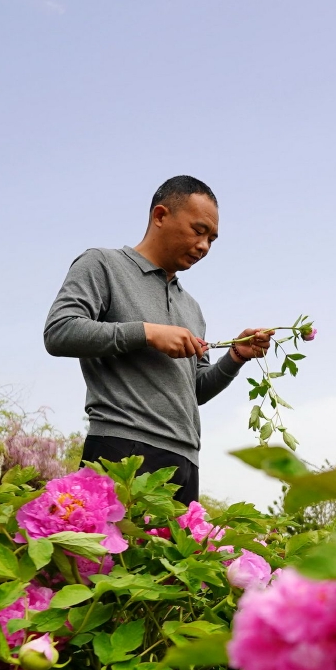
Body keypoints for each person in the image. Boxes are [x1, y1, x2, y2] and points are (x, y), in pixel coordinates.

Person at [43, 175, 272, 502]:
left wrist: (235, 357)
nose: (205, 246)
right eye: (199, 230)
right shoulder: (102, 264)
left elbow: (194, 392)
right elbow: (59, 332)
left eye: (213, 239)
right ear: (161, 216)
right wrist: (147, 332)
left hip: (184, 459)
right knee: (112, 554)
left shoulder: (192, 309)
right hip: (122, 449)